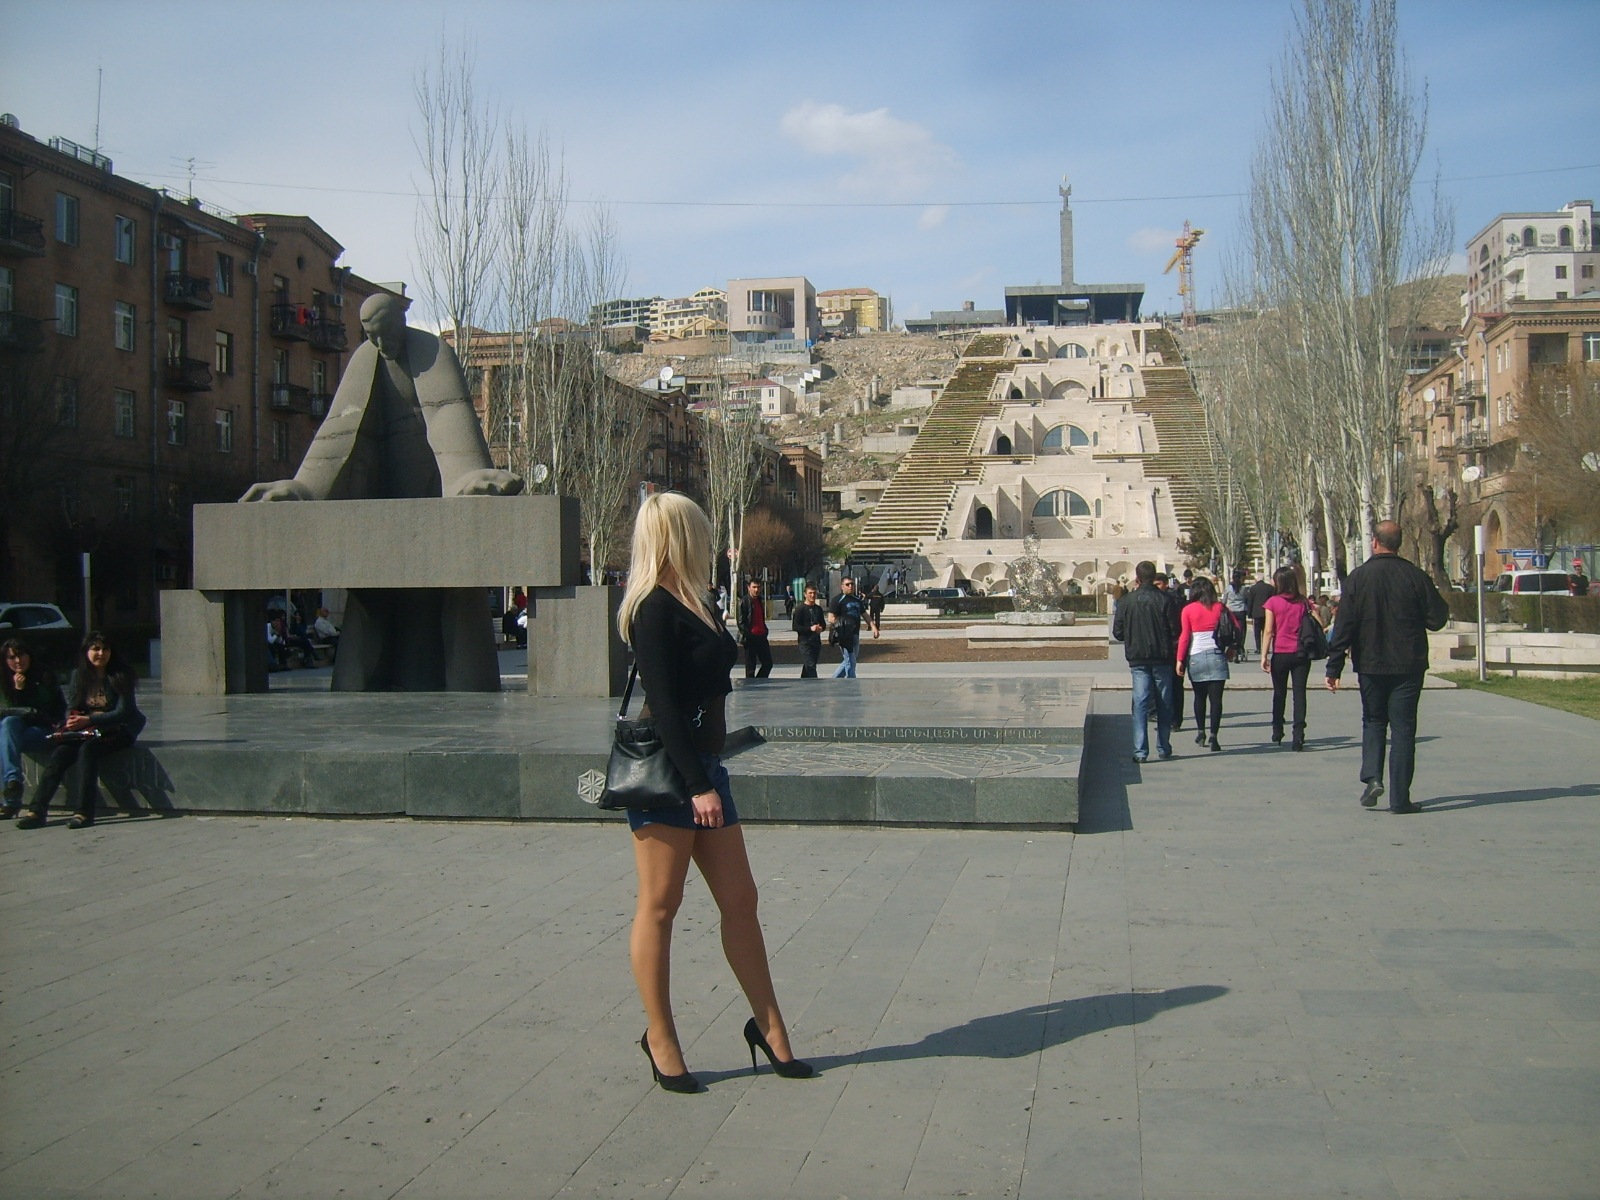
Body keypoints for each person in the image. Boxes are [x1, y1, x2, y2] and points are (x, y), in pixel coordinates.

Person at [616, 492, 811, 1092]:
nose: (707, 540)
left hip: (706, 767)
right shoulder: (651, 608)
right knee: (660, 906)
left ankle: (769, 1027)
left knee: (741, 900)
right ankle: (661, 1037)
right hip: (669, 775)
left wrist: (708, 775)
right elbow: (663, 704)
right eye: (699, 531)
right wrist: (697, 784)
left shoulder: (696, 600)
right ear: (679, 535)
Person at [241, 292, 521, 692]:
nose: (379, 343)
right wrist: (304, 488)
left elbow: (450, 413)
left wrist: (467, 477)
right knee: (371, 601)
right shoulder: (364, 359)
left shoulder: (431, 352)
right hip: (380, 493)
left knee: (455, 597)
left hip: (433, 485)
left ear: (400, 323)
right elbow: (338, 431)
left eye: (384, 333)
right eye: (370, 335)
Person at [1325, 521, 1450, 814]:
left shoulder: (1358, 578)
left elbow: (1344, 625)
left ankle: (1373, 778)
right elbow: (1437, 619)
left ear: (1374, 542)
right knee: (1404, 729)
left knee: (1374, 720)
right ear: (1399, 543)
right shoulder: (1415, 576)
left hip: (1370, 662)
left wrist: (1334, 666)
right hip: (1408, 663)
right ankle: (1400, 798)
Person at [17, 632, 146, 830]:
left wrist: (89, 719)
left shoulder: (122, 675)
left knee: (88, 750)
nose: (101, 653)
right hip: (87, 730)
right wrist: (72, 720)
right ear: (86, 652)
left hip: (119, 729)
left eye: (105, 649)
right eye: (95, 649)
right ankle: (36, 810)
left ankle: (84, 812)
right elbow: (72, 705)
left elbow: (124, 712)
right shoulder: (79, 675)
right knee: (61, 754)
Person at [1111, 560, 1182, 763]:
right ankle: (1164, 746)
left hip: (1138, 657)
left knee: (1141, 702)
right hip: (1162, 657)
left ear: (1137, 577)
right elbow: (1175, 630)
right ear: (1154, 577)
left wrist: (1133, 635)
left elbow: (1118, 632)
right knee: (1164, 702)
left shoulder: (1126, 601)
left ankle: (1140, 750)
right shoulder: (1165, 599)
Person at [1, 639, 66, 817]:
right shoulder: (3, 680)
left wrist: (22, 692)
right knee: (8, 723)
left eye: (21, 655)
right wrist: (17, 692)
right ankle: (13, 782)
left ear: (29, 655)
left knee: (4, 741)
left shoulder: (44, 676)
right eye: (11, 657)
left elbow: (50, 712)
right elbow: (6, 712)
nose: (18, 661)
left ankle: (11, 801)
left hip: (44, 731)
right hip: (15, 732)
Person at [1261, 565, 1316, 750]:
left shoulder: (1272, 602)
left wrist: (1264, 655)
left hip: (1281, 653)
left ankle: (1277, 728)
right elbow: (1318, 621)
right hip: (1301, 653)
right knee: (1300, 694)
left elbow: (1268, 631)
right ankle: (1298, 734)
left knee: (1279, 692)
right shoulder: (1303, 602)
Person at [1176, 576, 1230, 751]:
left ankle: (1201, 731)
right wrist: (1232, 648)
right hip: (1217, 655)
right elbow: (1235, 628)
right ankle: (1214, 736)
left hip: (1196, 655)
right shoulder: (1220, 608)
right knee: (1216, 700)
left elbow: (1185, 637)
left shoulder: (1188, 610)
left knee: (1199, 697)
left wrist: (1179, 659)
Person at [827, 577, 875, 679]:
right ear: (842, 586)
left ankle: (834, 680)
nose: (850, 586)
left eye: (852, 584)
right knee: (851, 661)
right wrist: (842, 625)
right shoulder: (837, 600)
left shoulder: (857, 600)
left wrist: (873, 627)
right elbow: (831, 618)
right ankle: (852, 682)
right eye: (847, 584)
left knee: (849, 660)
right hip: (845, 635)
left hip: (855, 634)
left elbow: (864, 614)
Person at [735, 579, 773, 679]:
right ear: (749, 588)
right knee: (751, 667)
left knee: (768, 663)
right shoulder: (744, 601)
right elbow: (740, 623)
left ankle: (759, 681)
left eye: (758, 587)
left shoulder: (759, 600)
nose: (756, 590)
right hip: (751, 638)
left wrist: (765, 630)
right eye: (754, 587)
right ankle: (751, 685)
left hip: (762, 636)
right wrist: (749, 635)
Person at [791, 585, 827, 679]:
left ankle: (804, 682)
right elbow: (795, 626)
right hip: (805, 642)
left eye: (814, 593)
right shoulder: (800, 609)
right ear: (805, 594)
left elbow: (823, 624)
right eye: (810, 593)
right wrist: (810, 629)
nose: (812, 595)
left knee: (809, 665)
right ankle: (815, 684)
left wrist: (821, 628)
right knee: (811, 665)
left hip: (816, 641)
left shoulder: (818, 609)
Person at [1222, 569, 1250, 660]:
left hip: (1231, 611)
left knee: (1231, 630)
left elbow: (1224, 600)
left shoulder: (1228, 588)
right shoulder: (1244, 588)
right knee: (1241, 631)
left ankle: (1232, 646)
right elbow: (1247, 599)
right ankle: (1240, 646)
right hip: (1241, 611)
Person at [1246, 571, 1275, 660]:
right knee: (1266, 630)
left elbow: (1250, 602)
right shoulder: (1270, 588)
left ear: (1256, 579)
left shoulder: (1253, 589)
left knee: (1257, 632)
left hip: (1256, 613)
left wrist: (1249, 613)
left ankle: (1258, 648)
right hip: (1267, 612)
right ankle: (1266, 647)